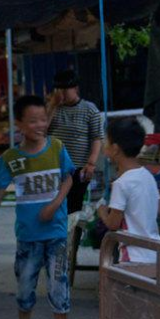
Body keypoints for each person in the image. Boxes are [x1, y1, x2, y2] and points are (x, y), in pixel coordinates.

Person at [0, 95, 80, 319]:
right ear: (19, 124)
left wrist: (55, 204)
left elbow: (68, 179)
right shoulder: (12, 158)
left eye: (43, 119)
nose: (40, 125)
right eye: (33, 121)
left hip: (55, 234)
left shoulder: (56, 148)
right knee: (24, 287)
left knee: (59, 286)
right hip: (28, 237)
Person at [96, 118, 160, 263]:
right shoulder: (147, 176)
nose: (103, 146)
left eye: (106, 141)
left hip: (132, 255)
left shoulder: (121, 184)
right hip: (154, 254)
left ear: (115, 148)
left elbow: (113, 224)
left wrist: (102, 212)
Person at [47, 69, 103, 216]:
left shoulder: (90, 109)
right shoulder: (53, 109)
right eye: (59, 89)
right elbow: (41, 132)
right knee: (55, 208)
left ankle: (73, 238)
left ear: (76, 88)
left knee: (74, 209)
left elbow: (97, 137)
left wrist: (91, 163)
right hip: (55, 169)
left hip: (79, 169)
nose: (62, 93)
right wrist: (52, 106)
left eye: (66, 89)